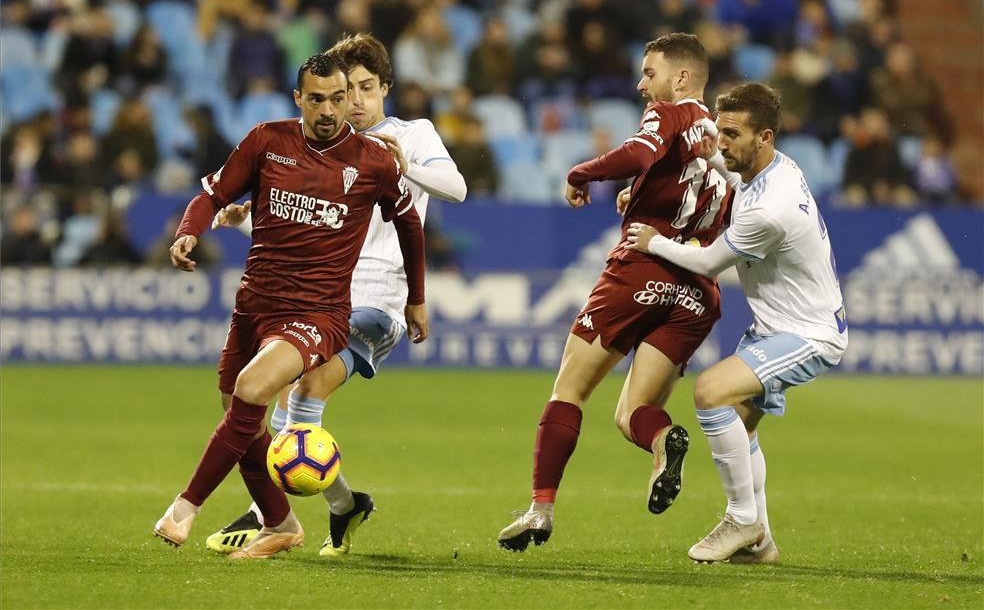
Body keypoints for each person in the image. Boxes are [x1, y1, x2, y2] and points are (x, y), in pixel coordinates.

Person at [152, 51, 429, 560]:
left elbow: (409, 225)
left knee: (253, 388)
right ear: (298, 98)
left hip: (317, 315)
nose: (328, 111)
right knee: (243, 418)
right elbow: (211, 196)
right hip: (254, 306)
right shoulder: (266, 140)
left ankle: (186, 506)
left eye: (338, 99)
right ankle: (280, 523)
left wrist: (417, 299)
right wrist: (188, 233)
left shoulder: (372, 161)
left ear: (349, 100)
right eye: (317, 99)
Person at [205, 33, 466, 558]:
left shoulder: (410, 135)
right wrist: (245, 221)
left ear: (385, 88)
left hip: (376, 303)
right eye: (349, 91)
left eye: (368, 88)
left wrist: (402, 166)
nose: (358, 101)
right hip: (322, 299)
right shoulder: (328, 153)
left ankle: (268, 517)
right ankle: (344, 505)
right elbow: (312, 225)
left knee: (287, 398)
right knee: (294, 405)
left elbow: (455, 187)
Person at [497, 33, 734, 552]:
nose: (641, 84)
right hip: (698, 291)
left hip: (641, 271)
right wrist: (643, 193)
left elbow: (637, 150)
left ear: (682, 79)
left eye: (650, 73)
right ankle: (661, 443)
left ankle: (540, 510)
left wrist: (582, 171)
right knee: (634, 414)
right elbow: (714, 209)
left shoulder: (671, 115)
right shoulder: (723, 142)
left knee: (569, 391)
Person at [625, 83, 848, 564]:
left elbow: (707, 264)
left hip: (809, 334)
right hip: (778, 325)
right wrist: (703, 145)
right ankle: (761, 542)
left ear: (764, 137)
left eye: (732, 134)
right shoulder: (772, 168)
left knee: (709, 392)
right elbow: (724, 163)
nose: (721, 143)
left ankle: (743, 519)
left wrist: (653, 240)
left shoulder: (770, 210)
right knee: (739, 427)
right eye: (720, 131)